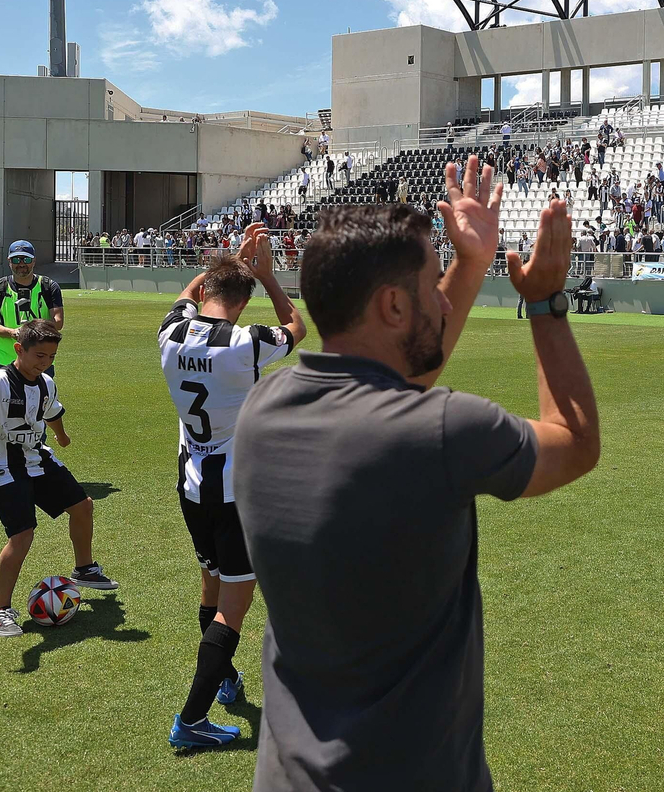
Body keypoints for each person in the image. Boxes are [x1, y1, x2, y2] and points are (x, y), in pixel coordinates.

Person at [234, 158, 601, 792]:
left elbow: (389, 386)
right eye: (434, 285)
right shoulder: (441, 431)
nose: (443, 298)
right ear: (394, 304)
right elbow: (574, 443)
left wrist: (470, 261)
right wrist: (544, 300)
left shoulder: (261, 410)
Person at [158, 225, 307, 749]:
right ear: (242, 302)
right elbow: (297, 325)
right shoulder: (247, 343)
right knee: (235, 605)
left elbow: (185, 298)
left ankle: (222, 678)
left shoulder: (171, 333)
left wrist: (224, 266)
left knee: (211, 584)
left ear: (202, 293)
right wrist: (264, 274)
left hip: (191, 482)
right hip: (237, 490)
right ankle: (191, 721)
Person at [0, 319, 118, 637]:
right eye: (39, 356)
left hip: (37, 458)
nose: (45, 363)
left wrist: (61, 436)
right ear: (19, 349)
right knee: (22, 535)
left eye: (51, 357)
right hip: (1, 466)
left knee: (83, 506)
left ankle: (85, 569)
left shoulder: (46, 383)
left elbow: (52, 412)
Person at [0, 240, 64, 494]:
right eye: (16, 259)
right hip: (5, 360)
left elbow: (57, 321)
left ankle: (35, 463)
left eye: (25, 259)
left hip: (40, 362)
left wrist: (33, 330)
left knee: (38, 413)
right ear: (9, 262)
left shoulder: (49, 286)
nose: (21, 264)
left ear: (33, 261)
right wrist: (15, 332)